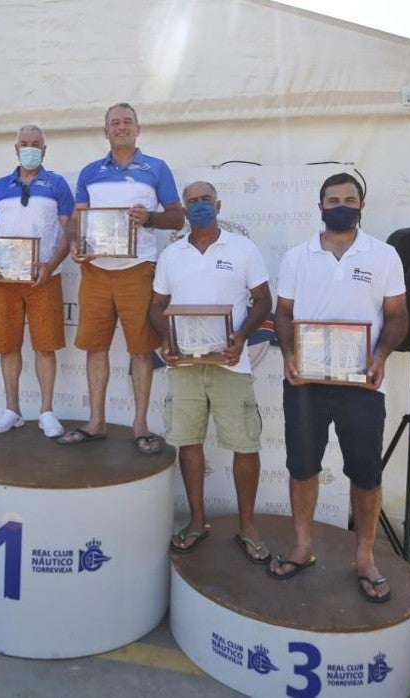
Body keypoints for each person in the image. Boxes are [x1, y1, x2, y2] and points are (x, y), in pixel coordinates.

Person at [270, 173, 408, 602]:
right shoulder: (297, 257)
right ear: (320, 207)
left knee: (366, 474)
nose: (341, 205)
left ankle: (365, 557)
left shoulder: (385, 256)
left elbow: (398, 316)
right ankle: (302, 546)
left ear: (362, 205)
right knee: (302, 467)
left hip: (362, 383)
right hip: (306, 381)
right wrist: (289, 356)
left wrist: (381, 356)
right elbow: (283, 315)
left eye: (349, 198)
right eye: (333, 199)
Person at [150, 182, 273, 561]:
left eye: (206, 200)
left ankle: (247, 525)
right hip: (184, 366)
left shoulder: (243, 248)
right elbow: (157, 305)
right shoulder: (172, 255)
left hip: (230, 364)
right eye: (193, 202)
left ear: (219, 204)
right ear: (184, 211)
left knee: (244, 444)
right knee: (188, 442)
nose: (200, 206)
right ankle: (197, 521)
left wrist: (241, 335)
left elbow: (263, 300)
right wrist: (166, 340)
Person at [62, 102, 184, 454]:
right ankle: (96, 421)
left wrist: (149, 218)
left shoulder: (156, 168)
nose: (121, 127)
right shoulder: (89, 172)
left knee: (142, 351)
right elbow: (76, 221)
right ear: (105, 131)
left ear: (138, 128)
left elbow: (177, 219)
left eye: (127, 121)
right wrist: (75, 246)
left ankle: (140, 425)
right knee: (95, 348)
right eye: (114, 122)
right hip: (96, 272)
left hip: (138, 270)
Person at [0, 125, 74, 438]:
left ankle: (46, 411)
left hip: (44, 278)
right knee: (8, 346)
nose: (30, 148)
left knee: (45, 347)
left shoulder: (57, 184)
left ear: (44, 150)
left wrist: (52, 264)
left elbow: (69, 231)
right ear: (15, 148)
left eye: (36, 144)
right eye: (24, 143)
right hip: (4, 278)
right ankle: (12, 410)